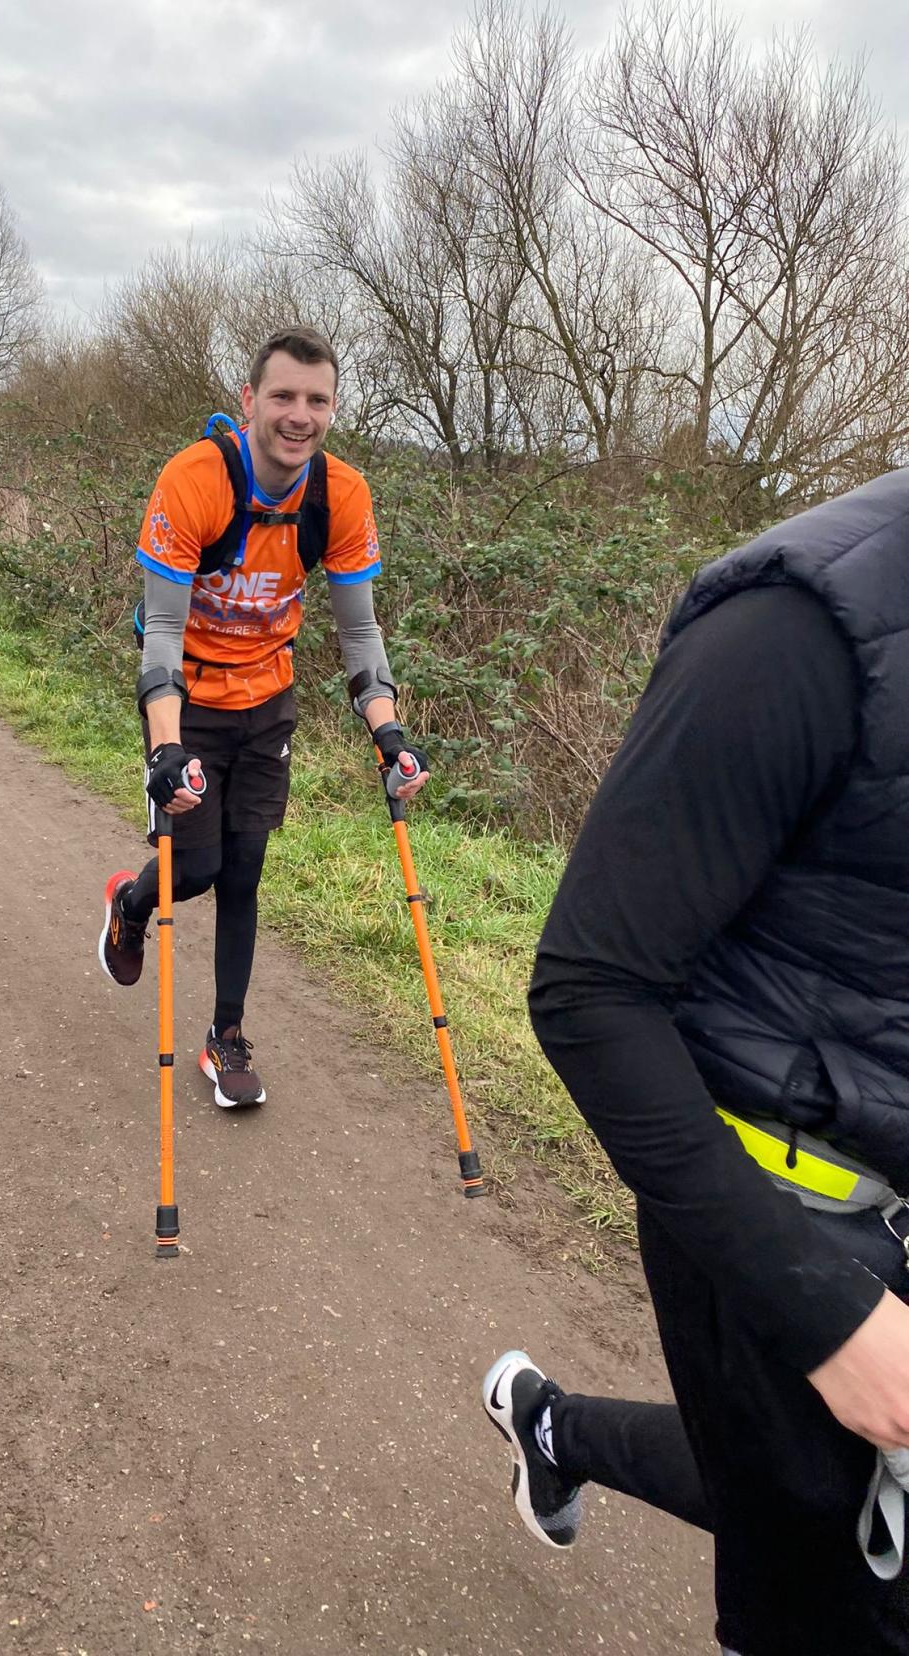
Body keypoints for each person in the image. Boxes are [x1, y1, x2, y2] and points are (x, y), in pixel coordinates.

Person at [480, 469, 909, 1655]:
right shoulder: (794, 633)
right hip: (797, 1217)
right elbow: (590, 989)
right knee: (813, 1570)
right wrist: (831, 1321)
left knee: (804, 1510)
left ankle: (551, 1427)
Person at [98, 326, 429, 1107]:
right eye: (283, 395)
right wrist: (167, 751)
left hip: (267, 699)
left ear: (333, 408)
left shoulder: (340, 494)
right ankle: (130, 903)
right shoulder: (194, 480)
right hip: (190, 699)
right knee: (201, 868)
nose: (299, 414)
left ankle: (226, 1037)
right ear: (249, 400)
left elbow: (358, 631)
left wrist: (388, 732)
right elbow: (164, 633)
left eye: (317, 400)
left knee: (245, 871)